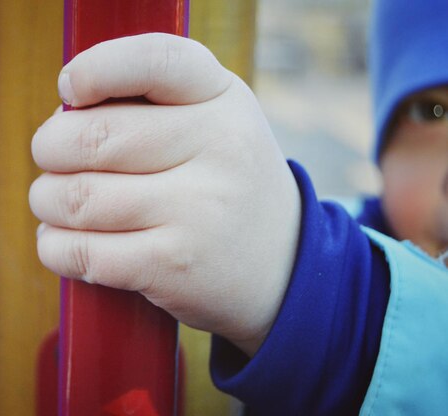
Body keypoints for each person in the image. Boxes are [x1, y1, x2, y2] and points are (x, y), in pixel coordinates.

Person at [29, 0, 448, 413]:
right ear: (385, 149)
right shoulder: (345, 226)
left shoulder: (332, 266)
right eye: (432, 112)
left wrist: (305, 287)